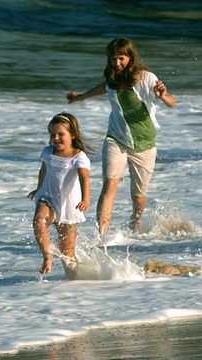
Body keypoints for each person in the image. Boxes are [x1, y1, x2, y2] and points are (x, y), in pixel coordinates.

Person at [67, 38, 176, 237]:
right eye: (113, 59)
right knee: (110, 184)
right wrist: (80, 97)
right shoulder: (112, 80)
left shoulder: (146, 78)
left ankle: (136, 223)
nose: (116, 63)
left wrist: (163, 96)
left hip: (144, 145)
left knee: (138, 197)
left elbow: (171, 103)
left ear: (130, 58)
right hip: (116, 139)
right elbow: (103, 87)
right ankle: (101, 236)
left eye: (121, 58)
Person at [28, 112, 93, 278]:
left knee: (67, 251)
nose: (55, 138)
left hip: (69, 205)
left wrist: (85, 199)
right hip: (48, 197)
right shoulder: (48, 152)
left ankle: (73, 281)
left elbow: (84, 177)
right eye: (52, 134)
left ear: (72, 135)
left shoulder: (78, 156)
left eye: (60, 134)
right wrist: (38, 188)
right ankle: (47, 257)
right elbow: (44, 170)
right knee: (39, 221)